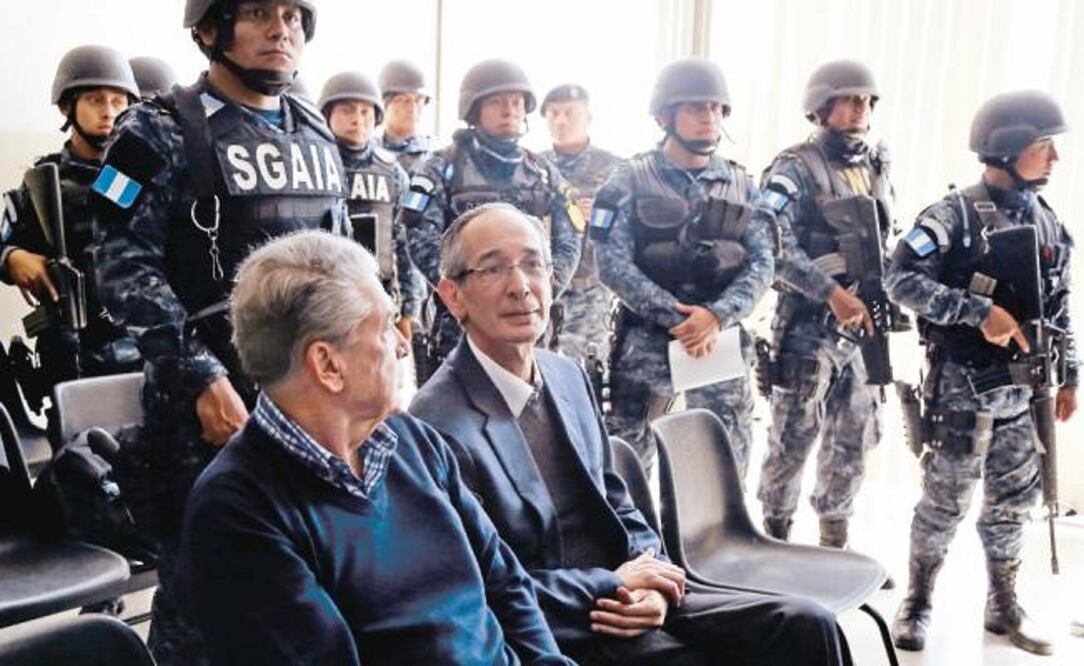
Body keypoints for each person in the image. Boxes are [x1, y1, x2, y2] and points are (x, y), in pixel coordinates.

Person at [411, 202, 851, 666]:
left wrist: (655, 582)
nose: (521, 287)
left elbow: (620, 504)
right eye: (493, 269)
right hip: (557, 624)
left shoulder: (565, 375)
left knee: (806, 626)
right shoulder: (435, 425)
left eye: (533, 264)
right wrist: (614, 584)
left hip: (631, 590)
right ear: (453, 296)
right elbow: (476, 586)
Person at [178, 230, 572, 666]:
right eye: (385, 327)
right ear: (328, 365)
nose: (404, 346)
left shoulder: (411, 442)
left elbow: (506, 584)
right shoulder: (238, 511)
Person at [93, 2, 348, 663]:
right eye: (260, 13)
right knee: (201, 599)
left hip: (308, 396)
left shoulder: (315, 129)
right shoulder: (151, 131)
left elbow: (342, 255)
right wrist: (199, 373)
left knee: (306, 579)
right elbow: (118, 260)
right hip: (204, 402)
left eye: (293, 14)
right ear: (210, 30)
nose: (281, 28)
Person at [886, 90, 1076, 656]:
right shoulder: (952, 216)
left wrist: (1070, 377)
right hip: (963, 388)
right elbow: (899, 279)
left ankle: (1004, 602)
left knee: (1013, 501)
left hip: (1023, 391)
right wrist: (977, 312)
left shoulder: (1048, 223)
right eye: (1045, 147)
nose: (1054, 160)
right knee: (944, 500)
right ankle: (918, 600)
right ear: (1008, 147)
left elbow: (1059, 309)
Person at [590, 58, 774, 477]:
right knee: (626, 475)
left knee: (719, 477)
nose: (708, 117)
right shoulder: (627, 181)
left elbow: (764, 263)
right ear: (664, 116)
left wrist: (715, 316)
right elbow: (611, 263)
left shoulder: (743, 185)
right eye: (695, 108)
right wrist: (677, 318)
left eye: (715, 108)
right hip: (646, 351)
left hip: (718, 349)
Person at [755, 60, 894, 550]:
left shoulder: (876, 165)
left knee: (855, 437)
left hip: (862, 326)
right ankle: (774, 540)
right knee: (792, 438)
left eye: (867, 100)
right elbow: (768, 244)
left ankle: (834, 542)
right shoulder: (794, 167)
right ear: (821, 106)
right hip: (808, 328)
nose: (861, 108)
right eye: (850, 99)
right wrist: (829, 292)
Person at [397, 58, 581, 378]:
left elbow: (570, 236)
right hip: (461, 328)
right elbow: (419, 237)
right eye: (497, 102)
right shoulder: (442, 166)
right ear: (474, 109)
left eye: (516, 102)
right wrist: (470, 291)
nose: (509, 110)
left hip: (529, 325)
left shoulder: (541, 171)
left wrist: (543, 287)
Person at [0, 44, 141, 421]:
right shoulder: (41, 186)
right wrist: (13, 258)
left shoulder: (138, 177)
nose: (109, 111)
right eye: (95, 100)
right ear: (67, 108)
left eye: (118, 100)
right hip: (73, 359)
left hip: (140, 350)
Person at [319, 71, 423, 347]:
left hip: (382, 295)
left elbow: (404, 242)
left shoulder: (392, 172)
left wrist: (409, 309)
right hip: (329, 297)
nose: (358, 119)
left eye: (366, 112)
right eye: (347, 110)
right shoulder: (316, 164)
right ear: (327, 114)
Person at [540, 83, 621, 367]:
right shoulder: (534, 167)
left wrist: (602, 217)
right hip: (542, 287)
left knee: (586, 372)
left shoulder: (614, 169)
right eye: (553, 113)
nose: (561, 121)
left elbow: (636, 228)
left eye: (570, 113)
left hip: (590, 290)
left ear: (589, 117)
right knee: (538, 371)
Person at [377, 59, 433, 173]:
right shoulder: (367, 154)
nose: (412, 108)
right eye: (403, 100)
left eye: (418, 100)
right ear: (384, 104)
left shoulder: (436, 157)